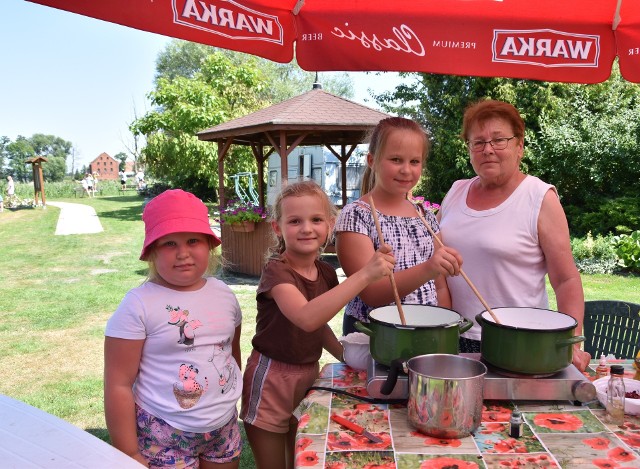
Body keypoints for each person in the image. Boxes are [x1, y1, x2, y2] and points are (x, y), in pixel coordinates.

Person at [241, 180, 395, 469]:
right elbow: (306, 317)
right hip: (272, 376)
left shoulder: (325, 271)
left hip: (309, 372)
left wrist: (345, 356)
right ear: (278, 228)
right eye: (295, 221)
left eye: (316, 220)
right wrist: (364, 275)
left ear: (330, 224)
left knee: (300, 456)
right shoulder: (277, 272)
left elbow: (319, 323)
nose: (306, 228)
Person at [437, 99, 590, 371]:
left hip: (519, 341)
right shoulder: (456, 191)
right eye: (478, 142)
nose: (488, 150)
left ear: (519, 146)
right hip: (455, 337)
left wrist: (572, 344)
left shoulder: (539, 197)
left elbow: (566, 279)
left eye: (499, 140)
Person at [104, 189, 243, 468]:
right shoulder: (138, 305)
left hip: (222, 427)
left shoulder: (224, 294)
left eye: (193, 240)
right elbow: (117, 384)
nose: (183, 253)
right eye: (169, 243)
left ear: (208, 244)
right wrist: (128, 452)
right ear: (152, 251)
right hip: (163, 431)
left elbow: (230, 354)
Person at [335, 116, 463, 335]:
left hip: (426, 330)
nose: (406, 169)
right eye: (395, 159)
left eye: (414, 161)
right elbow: (372, 293)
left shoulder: (426, 217)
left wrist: (445, 328)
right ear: (371, 160)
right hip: (375, 334)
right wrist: (428, 268)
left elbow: (440, 286)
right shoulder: (356, 216)